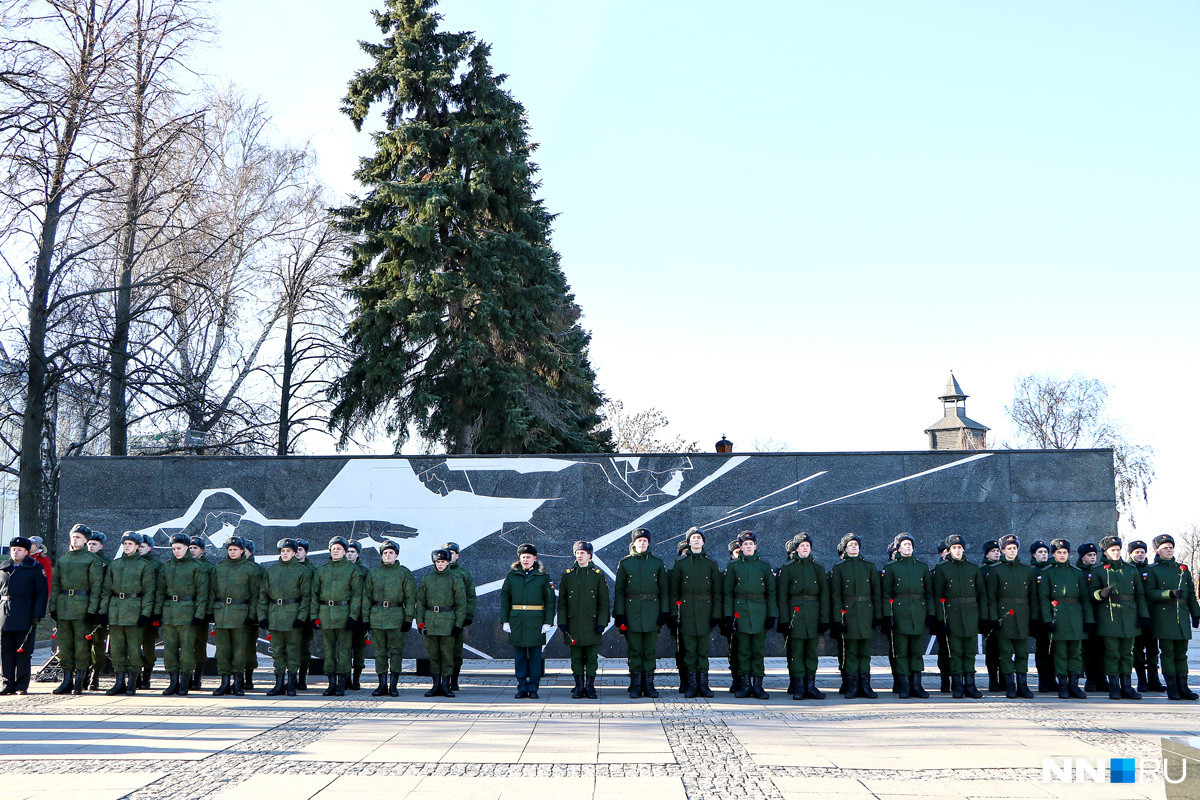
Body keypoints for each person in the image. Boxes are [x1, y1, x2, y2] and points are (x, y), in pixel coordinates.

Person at [48, 523, 105, 695]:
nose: (75, 539)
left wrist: (92, 610)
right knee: (64, 645)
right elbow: (56, 585)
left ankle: (79, 681)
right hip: (64, 607)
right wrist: (53, 607)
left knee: (81, 646)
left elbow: (96, 588)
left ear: (86, 540)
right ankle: (66, 680)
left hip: (82, 607)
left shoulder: (93, 560)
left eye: (78, 537)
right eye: (73, 536)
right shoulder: (63, 559)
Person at [1091, 535, 1149, 700]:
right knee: (1112, 653)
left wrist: (1143, 615)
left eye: (1118, 550)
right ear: (1106, 552)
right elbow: (1091, 594)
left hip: (1130, 616)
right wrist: (1100, 594)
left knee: (1127, 653)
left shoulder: (1131, 569)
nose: (1116, 553)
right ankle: (1114, 686)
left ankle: (1127, 686)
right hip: (1109, 617)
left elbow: (1140, 594)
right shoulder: (1099, 571)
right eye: (1112, 550)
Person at [1143, 534, 1200, 701]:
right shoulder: (1152, 570)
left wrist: (1195, 613)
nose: (1169, 550)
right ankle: (1172, 687)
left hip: (1181, 617)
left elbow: (1191, 594)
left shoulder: (1182, 569)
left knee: (1182, 654)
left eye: (1170, 547)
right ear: (1157, 550)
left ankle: (1184, 686)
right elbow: (1149, 593)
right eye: (1165, 548)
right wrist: (1168, 594)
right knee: (1168, 653)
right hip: (1164, 617)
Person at [614, 527, 668, 699]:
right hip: (632, 612)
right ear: (634, 543)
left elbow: (664, 591)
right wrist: (620, 614)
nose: (642, 543)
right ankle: (636, 684)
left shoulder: (657, 563)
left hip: (652, 611)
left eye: (645, 541)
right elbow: (620, 591)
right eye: (639, 541)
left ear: (649, 543)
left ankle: (649, 684)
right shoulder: (625, 563)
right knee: (635, 649)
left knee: (650, 650)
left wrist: (664, 612)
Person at [101, 532, 157, 695]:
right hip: (116, 611)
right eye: (125, 543)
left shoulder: (145, 566)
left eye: (130, 544)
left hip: (135, 611)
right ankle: (119, 682)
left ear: (138, 546)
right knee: (116, 649)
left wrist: (145, 614)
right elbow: (106, 590)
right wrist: (104, 612)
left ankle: (132, 681)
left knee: (133, 649)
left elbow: (149, 592)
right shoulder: (115, 565)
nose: (127, 546)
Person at [776, 532, 830, 701]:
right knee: (797, 653)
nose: (805, 548)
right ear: (796, 549)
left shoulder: (818, 568)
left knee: (811, 653)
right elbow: (782, 597)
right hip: (795, 615)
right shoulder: (788, 568)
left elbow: (824, 596)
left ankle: (811, 686)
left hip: (813, 614)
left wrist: (824, 619)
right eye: (802, 546)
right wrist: (784, 619)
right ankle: (799, 687)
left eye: (807, 546)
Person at [723, 531, 775, 700]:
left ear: (755, 546)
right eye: (745, 544)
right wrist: (728, 616)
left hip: (760, 612)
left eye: (750, 544)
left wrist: (771, 615)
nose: (748, 547)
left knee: (758, 651)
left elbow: (771, 592)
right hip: (741, 612)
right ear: (740, 547)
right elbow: (728, 593)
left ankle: (758, 686)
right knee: (744, 651)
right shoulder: (734, 566)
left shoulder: (764, 566)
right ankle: (745, 686)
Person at [669, 527, 721, 698]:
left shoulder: (711, 563)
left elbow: (716, 592)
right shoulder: (680, 564)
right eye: (693, 538)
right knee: (690, 650)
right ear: (689, 542)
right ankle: (691, 685)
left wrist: (715, 614)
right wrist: (675, 614)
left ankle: (703, 685)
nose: (696, 540)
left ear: (703, 541)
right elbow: (674, 591)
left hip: (705, 611)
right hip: (687, 612)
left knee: (703, 651)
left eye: (699, 537)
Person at [933, 533, 986, 699]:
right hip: (952, 613)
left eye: (959, 548)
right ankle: (958, 685)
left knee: (970, 651)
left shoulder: (973, 568)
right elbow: (938, 595)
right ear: (949, 550)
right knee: (955, 651)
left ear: (963, 549)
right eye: (954, 548)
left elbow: (981, 594)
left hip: (970, 612)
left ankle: (970, 684)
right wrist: (941, 619)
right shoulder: (942, 569)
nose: (957, 550)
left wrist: (983, 617)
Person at [257, 537, 312, 697]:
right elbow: (263, 597)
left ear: (295, 553)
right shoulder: (272, 571)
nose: (285, 554)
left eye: (288, 551)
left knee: (293, 651)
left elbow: (306, 597)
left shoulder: (303, 571)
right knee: (277, 652)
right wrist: (263, 617)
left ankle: (292, 684)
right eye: (283, 551)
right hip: (275, 616)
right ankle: (279, 683)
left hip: (293, 616)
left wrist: (301, 617)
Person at [881, 532, 933, 700]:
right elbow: (886, 593)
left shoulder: (922, 567)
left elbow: (929, 592)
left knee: (917, 651)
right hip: (900, 612)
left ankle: (916, 685)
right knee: (901, 652)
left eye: (910, 544)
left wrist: (931, 614)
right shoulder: (891, 567)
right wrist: (888, 615)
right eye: (904, 544)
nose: (908, 547)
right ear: (898, 548)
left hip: (918, 612)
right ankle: (904, 685)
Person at [1038, 538, 1093, 699]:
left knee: (1075, 653)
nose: (1062, 555)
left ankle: (1074, 685)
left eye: (1065, 552)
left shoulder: (1076, 572)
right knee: (1061, 653)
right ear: (1053, 554)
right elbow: (1043, 598)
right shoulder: (1047, 572)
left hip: (1076, 616)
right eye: (1059, 552)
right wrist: (1048, 619)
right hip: (1058, 616)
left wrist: (1088, 619)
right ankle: (1062, 685)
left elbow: (1085, 598)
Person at [500, 543, 555, 699]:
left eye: (528, 557)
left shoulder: (543, 576)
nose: (525, 560)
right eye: (523, 557)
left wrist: (547, 622)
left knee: (535, 656)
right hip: (517, 620)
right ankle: (522, 686)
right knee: (520, 656)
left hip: (536, 621)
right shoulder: (512, 576)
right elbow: (505, 598)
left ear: (534, 558)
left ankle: (534, 687)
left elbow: (550, 601)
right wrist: (505, 620)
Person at [208, 536, 261, 696]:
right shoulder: (219, 568)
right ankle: (224, 682)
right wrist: (210, 611)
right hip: (222, 613)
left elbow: (255, 595)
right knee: (223, 650)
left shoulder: (251, 569)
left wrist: (251, 615)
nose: (232, 552)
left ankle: (238, 682)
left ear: (242, 551)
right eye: (230, 549)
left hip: (241, 614)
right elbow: (212, 591)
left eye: (235, 550)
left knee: (239, 650)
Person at [830, 532, 881, 699]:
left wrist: (877, 615)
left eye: (856, 544)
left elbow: (876, 593)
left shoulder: (869, 566)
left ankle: (865, 686)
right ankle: (852, 686)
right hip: (848, 613)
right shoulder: (839, 568)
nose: (854, 546)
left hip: (866, 612)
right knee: (851, 652)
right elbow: (836, 595)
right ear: (845, 548)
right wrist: (838, 618)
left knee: (865, 652)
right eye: (850, 544)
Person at [157, 532, 209, 696]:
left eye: (179, 548)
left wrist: (199, 614)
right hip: (170, 613)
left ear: (187, 548)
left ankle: (184, 683)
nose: (176, 551)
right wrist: (158, 612)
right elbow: (160, 591)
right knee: (170, 650)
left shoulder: (197, 567)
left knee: (187, 650)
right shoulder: (167, 566)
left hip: (188, 613)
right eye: (173, 548)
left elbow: (202, 594)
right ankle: (173, 682)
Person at [985, 534, 1036, 698]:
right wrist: (993, 618)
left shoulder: (1026, 570)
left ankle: (1023, 684)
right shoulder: (996, 570)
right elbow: (991, 598)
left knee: (1022, 652)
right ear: (1003, 550)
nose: (1012, 551)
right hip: (1004, 615)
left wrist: (1033, 617)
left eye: (1014, 548)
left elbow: (1032, 597)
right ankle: (1010, 685)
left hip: (1022, 615)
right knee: (1005, 653)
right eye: (1009, 548)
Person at [311, 536, 363, 696]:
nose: (336, 551)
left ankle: (341, 682)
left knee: (344, 651)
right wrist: (314, 616)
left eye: (339, 549)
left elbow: (356, 595)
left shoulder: (353, 570)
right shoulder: (322, 570)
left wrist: (353, 616)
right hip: (326, 615)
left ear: (345, 551)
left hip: (344, 614)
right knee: (328, 651)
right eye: (333, 549)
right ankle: (331, 682)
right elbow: (314, 595)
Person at [558, 540, 609, 699]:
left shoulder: (597, 575)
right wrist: (562, 622)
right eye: (577, 553)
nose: (579, 556)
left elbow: (604, 602)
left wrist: (602, 622)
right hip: (573, 624)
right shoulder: (568, 575)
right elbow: (563, 602)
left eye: (583, 553)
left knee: (592, 657)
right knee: (576, 656)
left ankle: (590, 686)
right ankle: (579, 686)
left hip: (592, 623)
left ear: (589, 555)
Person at [363, 539, 414, 697]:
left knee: (396, 652)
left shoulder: (404, 573)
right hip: (377, 617)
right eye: (385, 553)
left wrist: (408, 619)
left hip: (396, 617)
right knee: (379, 652)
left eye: (391, 553)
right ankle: (382, 684)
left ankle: (393, 685)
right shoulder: (374, 573)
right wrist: (366, 619)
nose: (388, 555)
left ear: (396, 555)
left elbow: (411, 598)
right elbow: (366, 597)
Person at [0, 537, 48, 694]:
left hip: (25, 613)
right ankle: (7, 683)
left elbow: (41, 593)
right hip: (5, 614)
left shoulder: (34, 567)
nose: (16, 552)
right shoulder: (3, 568)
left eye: (19, 549)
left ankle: (21, 684)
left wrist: (37, 614)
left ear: (26, 552)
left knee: (22, 652)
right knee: (5, 652)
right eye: (13, 549)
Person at [416, 548, 466, 697]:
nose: (440, 565)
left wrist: (458, 624)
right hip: (431, 621)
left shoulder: (455, 580)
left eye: (443, 562)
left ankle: (446, 685)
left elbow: (461, 604)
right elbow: (420, 603)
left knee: (447, 655)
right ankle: (435, 684)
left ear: (448, 562)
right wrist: (420, 623)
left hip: (448, 621)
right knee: (433, 655)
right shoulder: (427, 580)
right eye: (438, 562)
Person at [1127, 540, 1165, 693]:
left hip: (1151, 615)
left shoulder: (1151, 569)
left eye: (1142, 552)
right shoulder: (1128, 569)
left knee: (1152, 648)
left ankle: (1154, 680)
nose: (1140, 554)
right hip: (1134, 615)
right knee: (1137, 649)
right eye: (1137, 552)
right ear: (1131, 554)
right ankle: (1142, 680)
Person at [440, 542, 475, 692]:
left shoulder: (463, 574)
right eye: (446, 552)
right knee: (439, 651)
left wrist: (467, 616)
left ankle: (453, 680)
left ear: (457, 555)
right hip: (439, 618)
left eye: (452, 552)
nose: (449, 555)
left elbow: (471, 597)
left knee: (455, 652)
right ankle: (441, 681)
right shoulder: (437, 571)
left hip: (456, 618)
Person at [1075, 542, 1106, 692]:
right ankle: (1090, 679)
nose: (1093, 557)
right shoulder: (1077, 572)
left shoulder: (1098, 571)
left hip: (1099, 614)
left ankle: (1101, 678)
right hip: (1083, 615)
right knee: (1087, 650)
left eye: (1094, 555)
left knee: (1101, 648)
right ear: (1082, 557)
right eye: (1089, 555)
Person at [1028, 540, 1055, 693]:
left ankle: (1052, 680)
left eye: (1045, 552)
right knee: (1043, 650)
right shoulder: (1032, 572)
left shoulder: (1052, 570)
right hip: (1038, 617)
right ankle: (1043, 681)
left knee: (1054, 650)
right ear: (1034, 555)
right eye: (1040, 552)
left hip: (1053, 615)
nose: (1044, 555)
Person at [187, 536, 214, 691]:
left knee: (199, 645)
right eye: (190, 548)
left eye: (195, 548)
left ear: (202, 550)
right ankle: (187, 675)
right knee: (186, 645)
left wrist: (207, 612)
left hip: (201, 612)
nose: (192, 551)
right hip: (185, 612)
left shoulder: (209, 568)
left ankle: (197, 676)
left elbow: (210, 592)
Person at [85, 531, 111, 690]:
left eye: (94, 544)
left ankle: (95, 677)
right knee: (82, 644)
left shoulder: (106, 564)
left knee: (97, 644)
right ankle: (83, 675)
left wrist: (104, 611)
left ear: (101, 546)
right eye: (89, 544)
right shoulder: (82, 561)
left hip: (98, 610)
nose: (90, 546)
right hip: (82, 607)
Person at [138, 534, 163, 689]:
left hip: (150, 610)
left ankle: (146, 676)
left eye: (143, 546)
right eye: (138, 546)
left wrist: (156, 612)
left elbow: (159, 590)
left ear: (150, 548)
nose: (140, 549)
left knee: (148, 646)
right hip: (130, 609)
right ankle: (135, 675)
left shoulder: (157, 565)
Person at [240, 539, 265, 689]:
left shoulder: (258, 570)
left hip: (251, 615)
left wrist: (255, 615)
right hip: (234, 614)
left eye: (245, 550)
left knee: (249, 647)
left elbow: (260, 595)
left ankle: (248, 677)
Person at [345, 540, 370, 690]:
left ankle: (356, 679)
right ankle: (346, 678)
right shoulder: (341, 570)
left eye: (352, 551)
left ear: (358, 554)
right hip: (343, 614)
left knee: (359, 649)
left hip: (359, 615)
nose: (349, 554)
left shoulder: (365, 572)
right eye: (347, 551)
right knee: (345, 648)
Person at [979, 539, 1003, 691]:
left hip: (1005, 613)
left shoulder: (1003, 568)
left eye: (998, 551)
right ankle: (993, 680)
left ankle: (1005, 679)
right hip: (989, 615)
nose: (996, 553)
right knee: (993, 649)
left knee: (1005, 649)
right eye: (993, 551)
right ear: (987, 554)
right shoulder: (982, 571)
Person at [294, 539, 317, 688]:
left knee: (303, 648)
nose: (297, 552)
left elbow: (314, 595)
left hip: (306, 615)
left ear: (306, 552)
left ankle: (302, 678)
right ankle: (290, 678)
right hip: (288, 614)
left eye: (300, 549)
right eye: (294, 549)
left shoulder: (312, 570)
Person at [932, 538, 952, 692]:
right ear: (941, 554)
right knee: (944, 650)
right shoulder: (936, 571)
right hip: (942, 616)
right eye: (947, 550)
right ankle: (945, 680)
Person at [723, 538, 741, 693]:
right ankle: (737, 680)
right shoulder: (728, 572)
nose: (739, 554)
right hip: (732, 617)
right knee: (734, 650)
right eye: (736, 552)